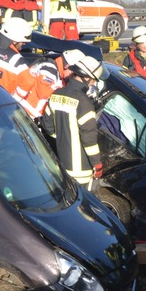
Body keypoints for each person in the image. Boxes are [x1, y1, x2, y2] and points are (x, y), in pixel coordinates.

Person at [40, 49, 103, 187]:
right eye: (93, 80)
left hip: (62, 165)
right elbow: (89, 139)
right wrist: (97, 164)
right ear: (87, 78)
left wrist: (64, 136)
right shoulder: (84, 102)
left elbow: (47, 126)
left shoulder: (56, 94)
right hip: (82, 171)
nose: (93, 84)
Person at [0, 16, 52, 120]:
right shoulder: (17, 62)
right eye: (22, 41)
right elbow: (26, 85)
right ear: (14, 40)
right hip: (0, 112)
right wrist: (12, 101)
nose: (24, 44)